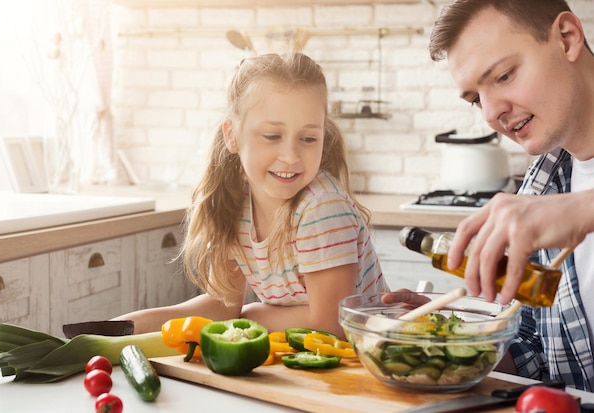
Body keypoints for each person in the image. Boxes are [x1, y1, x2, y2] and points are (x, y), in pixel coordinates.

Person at [114, 53, 387, 339]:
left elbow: (331, 324)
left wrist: (253, 315)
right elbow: (223, 306)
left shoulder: (321, 207)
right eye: (272, 136)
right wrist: (138, 323)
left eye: (308, 138)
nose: (291, 156)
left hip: (358, 364)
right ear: (232, 135)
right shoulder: (236, 202)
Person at [408, 0, 594, 392]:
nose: (491, 113)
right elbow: (540, 358)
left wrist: (583, 208)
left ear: (567, 37)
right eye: (476, 98)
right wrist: (458, 335)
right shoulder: (544, 182)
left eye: (505, 75)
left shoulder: (559, 207)